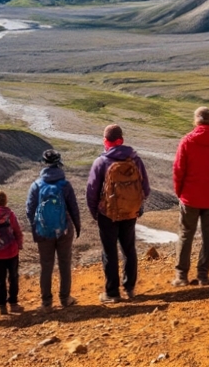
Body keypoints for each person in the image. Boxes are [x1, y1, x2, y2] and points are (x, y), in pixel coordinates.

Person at [85, 124, 150, 303]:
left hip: (108, 214)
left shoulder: (101, 162)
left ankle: (112, 293)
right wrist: (135, 205)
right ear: (121, 140)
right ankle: (130, 289)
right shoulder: (135, 160)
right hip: (130, 213)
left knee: (109, 251)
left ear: (106, 142)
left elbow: (91, 191)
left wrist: (96, 213)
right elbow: (146, 188)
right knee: (129, 249)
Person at [171, 107, 209, 286]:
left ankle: (181, 276)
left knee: (185, 234)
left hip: (190, 197)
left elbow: (178, 170)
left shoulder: (187, 142)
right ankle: (203, 276)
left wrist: (180, 192)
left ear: (196, 121)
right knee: (208, 235)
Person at [25, 149, 82, 311]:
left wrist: (37, 227)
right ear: (59, 163)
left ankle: (46, 303)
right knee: (64, 264)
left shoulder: (36, 186)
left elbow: (29, 210)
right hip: (64, 230)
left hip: (44, 233)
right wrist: (76, 227)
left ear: (43, 164)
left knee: (46, 266)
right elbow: (74, 208)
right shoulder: (65, 185)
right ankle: (65, 298)